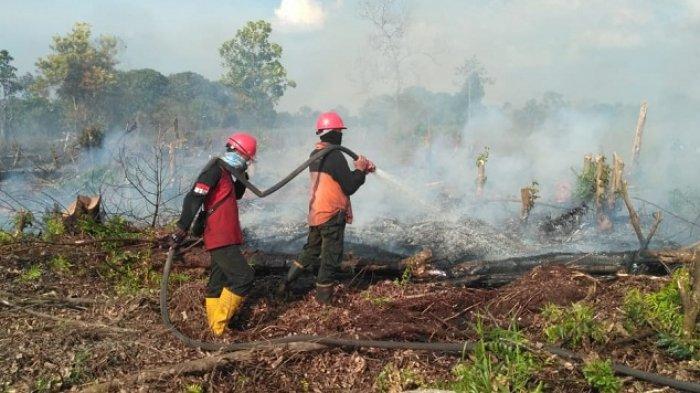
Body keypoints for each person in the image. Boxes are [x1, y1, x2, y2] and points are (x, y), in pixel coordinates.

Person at [277, 112, 375, 304]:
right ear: (335, 133)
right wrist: (360, 171)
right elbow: (349, 186)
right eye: (340, 131)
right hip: (331, 215)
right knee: (330, 258)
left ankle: (285, 285)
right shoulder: (335, 156)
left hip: (316, 212)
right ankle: (324, 303)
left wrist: (361, 169)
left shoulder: (315, 154)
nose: (341, 135)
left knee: (310, 251)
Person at [171, 132, 257, 336]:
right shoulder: (214, 169)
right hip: (219, 234)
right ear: (238, 152)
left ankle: (215, 328)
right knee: (244, 278)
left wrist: (242, 173)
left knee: (217, 284)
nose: (246, 161)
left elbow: (236, 194)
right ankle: (218, 329)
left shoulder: (227, 172)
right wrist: (182, 227)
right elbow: (193, 198)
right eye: (246, 158)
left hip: (227, 234)